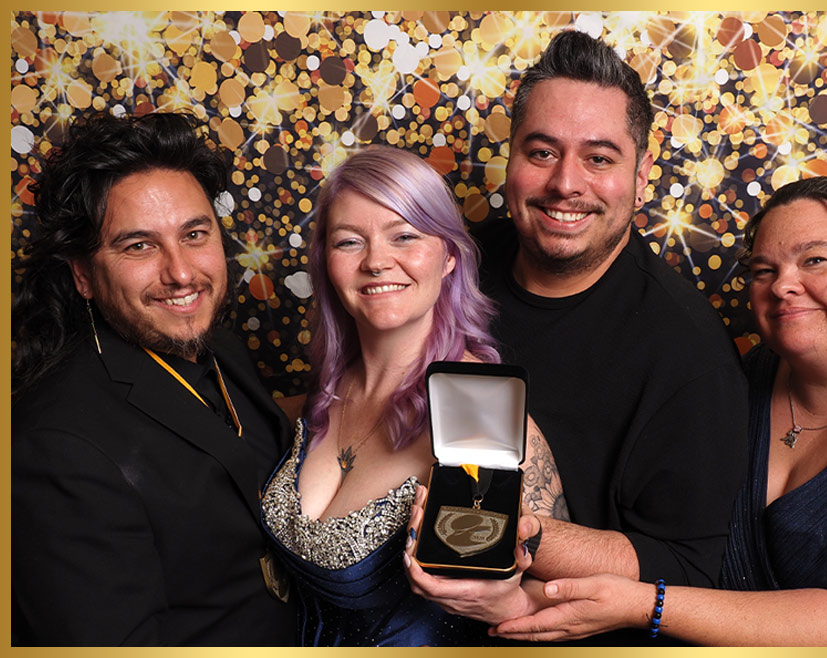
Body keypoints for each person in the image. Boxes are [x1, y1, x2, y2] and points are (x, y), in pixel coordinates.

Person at [490, 177, 827, 646]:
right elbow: (661, 536)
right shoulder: (748, 373)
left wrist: (648, 605)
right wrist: (515, 591)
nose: (782, 286)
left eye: (815, 260)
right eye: (764, 271)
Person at [404, 30, 749, 645]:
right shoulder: (453, 264)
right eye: (541, 152)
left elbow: (694, 568)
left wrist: (504, 524)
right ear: (509, 158)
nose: (566, 184)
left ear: (642, 174)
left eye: (599, 157)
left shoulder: (688, 355)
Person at [258, 145, 566, 646]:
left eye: (404, 235)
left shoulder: (480, 415)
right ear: (326, 263)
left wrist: (507, 601)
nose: (377, 261)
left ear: (448, 256)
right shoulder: (327, 391)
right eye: (348, 242)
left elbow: (557, 610)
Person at [12, 112, 296, 645]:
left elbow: (238, 446)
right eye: (139, 245)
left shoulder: (217, 346)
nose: (182, 273)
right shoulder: (52, 450)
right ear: (82, 274)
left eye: (194, 234)